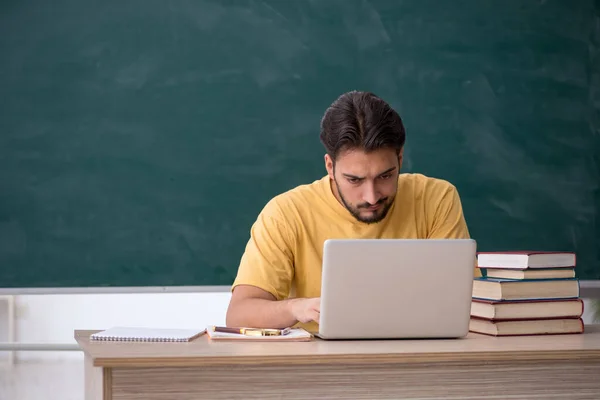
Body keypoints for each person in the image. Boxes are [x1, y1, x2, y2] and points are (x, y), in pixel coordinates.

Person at [226, 90, 479, 332]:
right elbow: (239, 314)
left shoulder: (436, 199)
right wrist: (297, 308)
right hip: (319, 365)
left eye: (385, 176)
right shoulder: (285, 214)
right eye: (354, 180)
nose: (371, 197)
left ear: (400, 159)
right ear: (330, 167)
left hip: (419, 357)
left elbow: (468, 301)